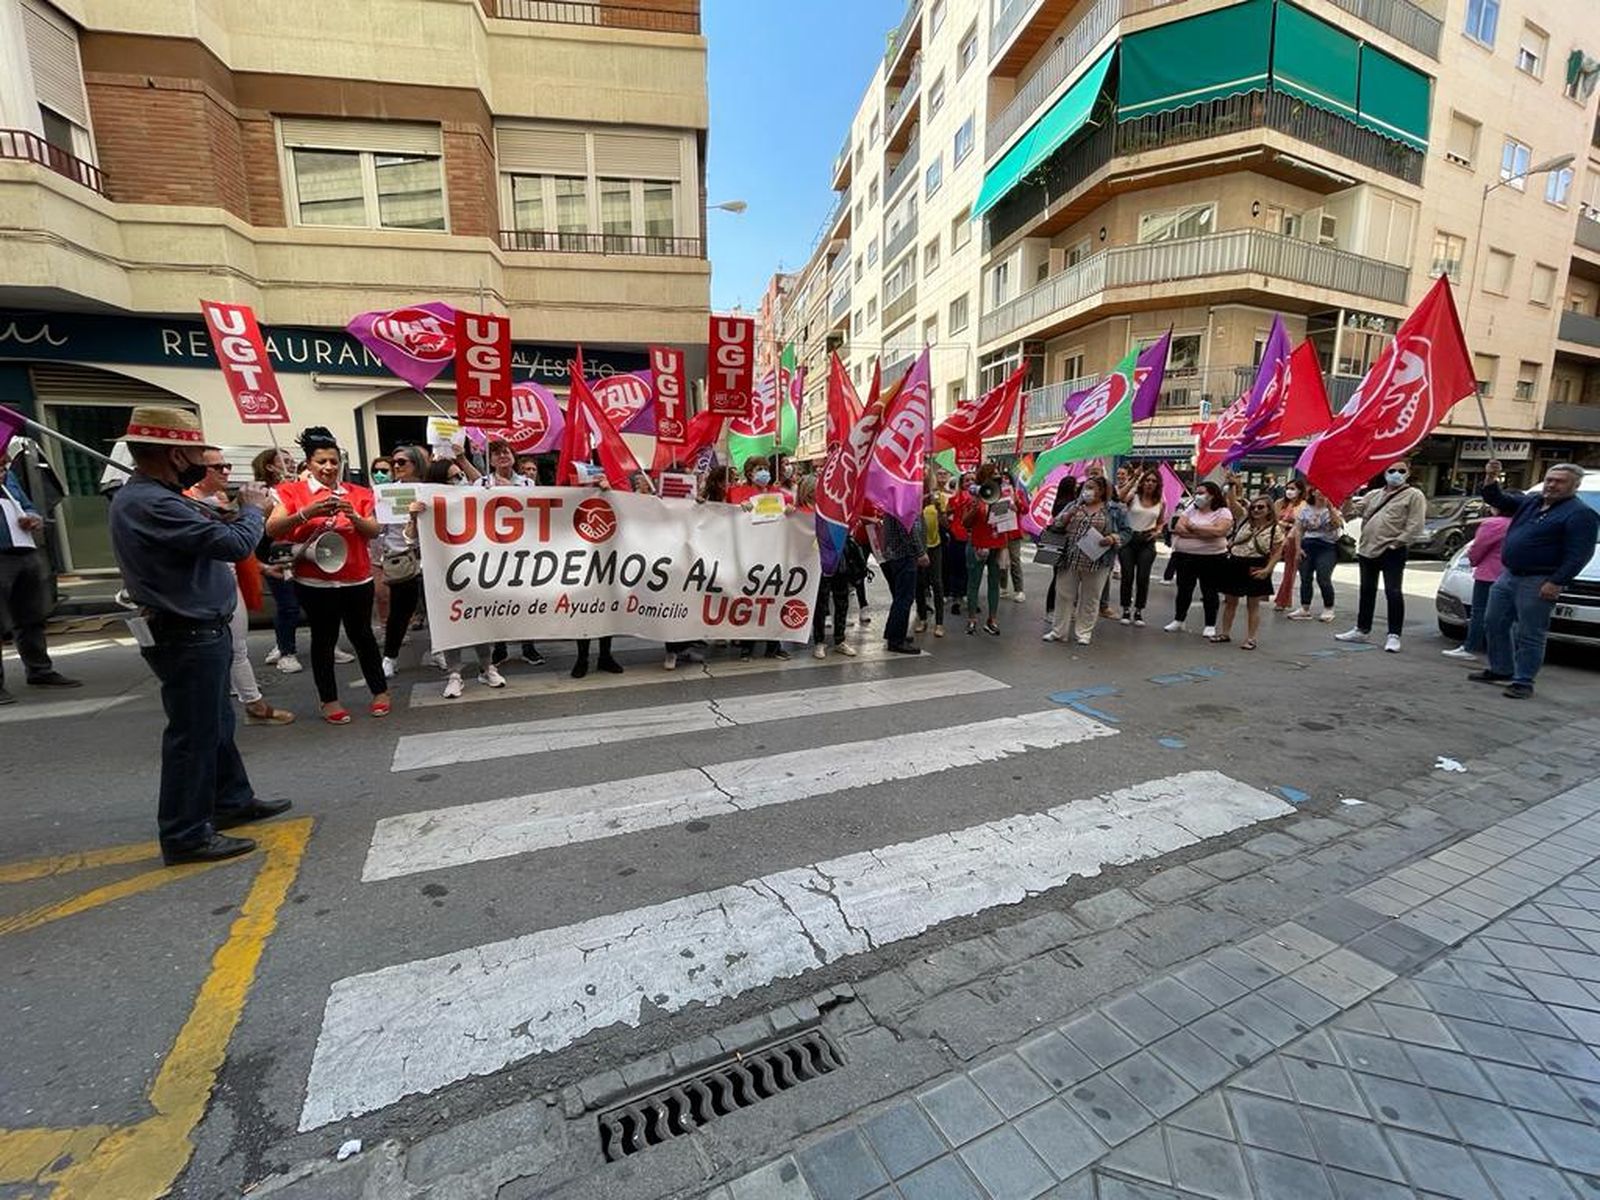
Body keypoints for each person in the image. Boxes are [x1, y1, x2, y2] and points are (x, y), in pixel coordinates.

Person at [107, 406, 292, 864]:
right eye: (198, 454)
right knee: (193, 735)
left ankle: (231, 800)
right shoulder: (152, 503)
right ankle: (185, 833)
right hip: (185, 631)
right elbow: (233, 545)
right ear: (175, 455)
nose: (205, 464)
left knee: (217, 725)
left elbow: (212, 535)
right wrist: (253, 511)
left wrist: (230, 514)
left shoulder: (160, 497)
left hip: (198, 628)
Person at [265, 427, 391, 723]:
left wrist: (354, 515)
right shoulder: (291, 492)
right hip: (314, 581)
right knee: (324, 639)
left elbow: (374, 531)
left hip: (357, 577)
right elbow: (272, 529)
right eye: (321, 461)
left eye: (334, 461)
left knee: (363, 636)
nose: (328, 467)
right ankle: (329, 700)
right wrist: (307, 512)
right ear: (309, 464)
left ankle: (380, 691)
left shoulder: (358, 493)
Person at [1470, 460, 1598, 698]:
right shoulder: (1532, 501)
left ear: (1575, 485)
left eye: (1560, 482)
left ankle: (1523, 680)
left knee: (1530, 632)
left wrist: (1557, 581)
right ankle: (1501, 668)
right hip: (1509, 575)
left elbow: (1579, 554)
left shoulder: (1580, 514)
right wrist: (1491, 478)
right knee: (1494, 622)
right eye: (1549, 480)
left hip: (1539, 579)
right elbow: (1498, 500)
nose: (1552, 485)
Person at [185, 448, 294, 726]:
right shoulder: (185, 503)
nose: (225, 471)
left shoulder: (219, 500)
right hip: (204, 589)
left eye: (227, 465)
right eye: (217, 467)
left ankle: (250, 704)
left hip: (228, 582)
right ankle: (246, 706)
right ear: (197, 469)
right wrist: (254, 512)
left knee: (237, 647)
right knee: (221, 652)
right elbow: (235, 543)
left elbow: (238, 548)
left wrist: (263, 568)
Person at [0, 439, 80, 703]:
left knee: (31, 615)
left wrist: (33, 517)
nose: (5, 461)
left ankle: (39, 669)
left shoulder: (8, 477)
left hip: (24, 549)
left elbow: (26, 504)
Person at [1335, 461, 1426, 653]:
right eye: (1392, 470)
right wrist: (1348, 497)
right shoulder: (1373, 495)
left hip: (1392, 550)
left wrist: (1397, 543)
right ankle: (1362, 629)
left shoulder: (1414, 495)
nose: (1396, 474)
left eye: (1401, 470)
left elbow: (1415, 524)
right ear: (1384, 473)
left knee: (1393, 592)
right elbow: (1349, 515)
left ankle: (1394, 635)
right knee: (1367, 590)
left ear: (1408, 473)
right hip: (1368, 549)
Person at [476, 438, 544, 669]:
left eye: (506, 452)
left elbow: (535, 510)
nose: (503, 456)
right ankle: (500, 647)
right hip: (494, 551)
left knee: (525, 599)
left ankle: (528, 646)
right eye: (497, 454)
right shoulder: (481, 483)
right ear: (490, 460)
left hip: (523, 551)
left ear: (514, 457)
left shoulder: (527, 483)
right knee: (498, 599)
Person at [1042, 474, 1127, 646]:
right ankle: (1058, 631)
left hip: (1097, 561)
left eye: (1091, 488)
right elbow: (1056, 524)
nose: (1086, 491)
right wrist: (1068, 516)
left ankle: (1084, 632)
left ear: (1101, 491)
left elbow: (1126, 532)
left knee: (1091, 597)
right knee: (1063, 595)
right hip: (1070, 558)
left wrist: (1112, 538)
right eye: (1085, 487)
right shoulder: (1074, 505)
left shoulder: (1114, 509)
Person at [378, 448, 437, 677]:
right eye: (394, 462)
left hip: (433, 557)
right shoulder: (386, 493)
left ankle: (440, 652)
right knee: (400, 612)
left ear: (416, 464)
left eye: (402, 462)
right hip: (402, 557)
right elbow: (379, 529)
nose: (396, 466)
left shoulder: (432, 490)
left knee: (437, 610)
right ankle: (390, 657)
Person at [251, 448, 306, 674]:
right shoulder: (263, 493)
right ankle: (286, 653)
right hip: (276, 557)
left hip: (302, 553)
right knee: (288, 605)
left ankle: (327, 647)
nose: (291, 464)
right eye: (285, 461)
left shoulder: (298, 489)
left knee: (313, 603)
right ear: (269, 467)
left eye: (292, 460)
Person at [1214, 495, 1286, 649]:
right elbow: (1233, 503)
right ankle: (1225, 633)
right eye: (1253, 507)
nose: (1256, 510)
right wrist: (1232, 487)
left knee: (1253, 604)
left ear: (1269, 510)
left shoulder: (1275, 529)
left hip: (1256, 565)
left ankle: (1251, 638)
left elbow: (1277, 553)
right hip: (1236, 562)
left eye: (1261, 507)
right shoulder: (1244, 521)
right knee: (1230, 602)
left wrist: (1268, 569)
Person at [1442, 507, 1510, 662]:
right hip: (1509, 575)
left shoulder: (1493, 524)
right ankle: (1500, 651)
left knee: (1479, 611)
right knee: (1505, 615)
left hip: (1488, 574)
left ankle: (1471, 646)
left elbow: (1478, 547)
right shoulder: (1521, 523)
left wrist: (1473, 560)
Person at [1164, 479, 1232, 637]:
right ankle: (1179, 619)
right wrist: (1205, 533)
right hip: (1185, 556)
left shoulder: (1223, 512)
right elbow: (1179, 528)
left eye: (1201, 493)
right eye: (1196, 493)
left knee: (1209, 591)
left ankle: (1210, 624)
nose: (1197, 496)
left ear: (1212, 495)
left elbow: (1219, 531)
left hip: (1212, 558)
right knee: (1184, 589)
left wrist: (1193, 527)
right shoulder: (1191, 509)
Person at [798, 477, 855, 661]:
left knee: (841, 600)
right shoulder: (801, 511)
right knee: (821, 603)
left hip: (837, 559)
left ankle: (840, 639)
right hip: (817, 563)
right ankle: (819, 641)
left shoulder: (830, 508)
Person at [952, 463, 1009, 636]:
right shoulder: (974, 497)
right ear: (984, 477)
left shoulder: (1002, 496)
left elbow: (1006, 522)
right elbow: (965, 523)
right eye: (993, 474)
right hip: (977, 544)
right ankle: (972, 619)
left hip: (996, 543)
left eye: (998, 474)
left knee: (994, 582)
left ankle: (992, 620)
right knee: (974, 582)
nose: (997, 476)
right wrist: (975, 509)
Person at [1285, 486, 1343, 623]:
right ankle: (1305, 607)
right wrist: (1298, 548)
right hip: (1308, 544)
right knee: (1305, 577)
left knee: (1323, 577)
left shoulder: (1333, 509)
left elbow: (1337, 525)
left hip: (1327, 546)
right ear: (1313, 492)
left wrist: (1330, 509)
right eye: (1319, 490)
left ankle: (1328, 607)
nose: (1322, 493)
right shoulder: (1306, 509)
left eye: (1325, 491)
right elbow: (1299, 529)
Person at [879, 506, 928, 654]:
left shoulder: (893, 503)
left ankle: (893, 633)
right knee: (904, 599)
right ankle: (896, 640)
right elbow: (908, 530)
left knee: (900, 597)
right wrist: (920, 552)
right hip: (904, 555)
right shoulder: (903, 504)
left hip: (896, 554)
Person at [1119, 471, 1165, 626]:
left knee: (1143, 577)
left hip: (1147, 540)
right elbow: (1121, 497)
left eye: (1153, 481)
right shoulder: (1134, 497)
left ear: (1158, 484)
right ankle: (1126, 608)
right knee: (1127, 575)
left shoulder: (1160, 502)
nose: (1150, 483)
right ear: (1142, 482)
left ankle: (1139, 610)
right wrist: (1134, 478)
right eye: (1147, 480)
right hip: (1129, 539)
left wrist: (1158, 531)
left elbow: (1160, 522)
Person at [1042, 474, 1080, 626]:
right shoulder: (1067, 505)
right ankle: (1052, 609)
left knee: (1062, 577)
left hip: (1060, 543)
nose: (1077, 487)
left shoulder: (1060, 502)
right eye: (1075, 485)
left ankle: (1058, 609)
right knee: (1059, 577)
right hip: (1062, 542)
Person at [915, 475, 946, 638]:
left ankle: (939, 623)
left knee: (937, 583)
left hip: (935, 546)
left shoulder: (938, 498)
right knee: (919, 584)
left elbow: (945, 524)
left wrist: (940, 510)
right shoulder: (915, 499)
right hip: (919, 546)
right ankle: (922, 618)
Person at [1272, 480, 1306, 611]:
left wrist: (1286, 525)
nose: (1289, 491)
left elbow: (1300, 525)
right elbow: (1273, 519)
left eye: (1292, 488)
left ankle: (1283, 600)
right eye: (1287, 488)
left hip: (1292, 539)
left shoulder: (1303, 505)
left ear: (1300, 490)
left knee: (1290, 570)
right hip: (1276, 538)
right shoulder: (1279, 503)